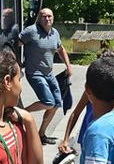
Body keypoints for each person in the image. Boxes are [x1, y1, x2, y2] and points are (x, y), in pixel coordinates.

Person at [18, 8, 73, 145]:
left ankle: (41, 134)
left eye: (50, 16)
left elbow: (61, 49)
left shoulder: (55, 33)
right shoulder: (31, 31)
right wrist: (17, 63)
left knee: (56, 103)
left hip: (49, 73)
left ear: (53, 18)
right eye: (44, 16)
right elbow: (16, 44)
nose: (47, 19)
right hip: (35, 73)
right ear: (39, 18)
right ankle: (19, 113)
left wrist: (68, 65)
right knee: (48, 102)